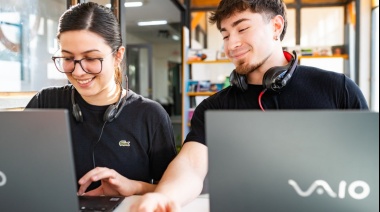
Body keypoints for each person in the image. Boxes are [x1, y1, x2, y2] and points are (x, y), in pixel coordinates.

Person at [129, 0, 369, 211]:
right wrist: (164, 197)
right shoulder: (214, 108)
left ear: (276, 26)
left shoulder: (338, 89)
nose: (231, 45)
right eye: (225, 35)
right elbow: (191, 165)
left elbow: (367, 166)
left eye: (242, 28)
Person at [25, 2, 177, 197]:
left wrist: (134, 187)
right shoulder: (44, 103)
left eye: (91, 58)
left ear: (117, 56)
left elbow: (172, 190)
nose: (78, 71)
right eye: (68, 58)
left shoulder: (150, 116)